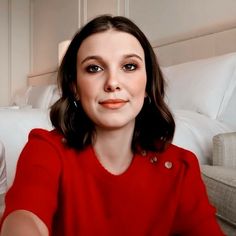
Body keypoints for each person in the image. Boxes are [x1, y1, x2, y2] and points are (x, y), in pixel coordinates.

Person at [0, 15, 224, 236]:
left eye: (129, 66)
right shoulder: (46, 149)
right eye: (94, 68)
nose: (112, 83)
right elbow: (24, 215)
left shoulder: (181, 167)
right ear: (75, 87)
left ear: (147, 84)